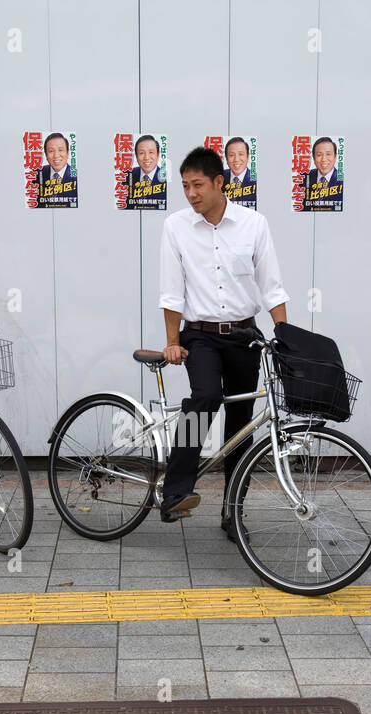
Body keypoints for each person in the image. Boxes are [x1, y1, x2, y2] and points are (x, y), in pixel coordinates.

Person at [158, 146, 289, 540]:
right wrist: (171, 342)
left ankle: (233, 513)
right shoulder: (176, 227)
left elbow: (272, 288)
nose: (191, 193)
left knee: (241, 426)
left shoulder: (253, 224)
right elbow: (171, 292)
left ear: (220, 182)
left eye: (198, 185)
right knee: (205, 397)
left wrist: (285, 339)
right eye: (185, 186)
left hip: (245, 337)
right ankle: (175, 491)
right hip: (199, 336)